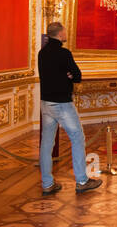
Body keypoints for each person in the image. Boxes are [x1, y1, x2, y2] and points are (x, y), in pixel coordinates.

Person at [38, 22, 100, 195]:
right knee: (77, 137)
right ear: (59, 34)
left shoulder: (42, 53)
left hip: (46, 103)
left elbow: (55, 75)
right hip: (62, 103)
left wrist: (67, 74)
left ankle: (47, 183)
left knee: (46, 144)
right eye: (65, 31)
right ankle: (82, 180)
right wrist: (69, 76)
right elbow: (77, 75)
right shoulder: (64, 53)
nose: (66, 33)